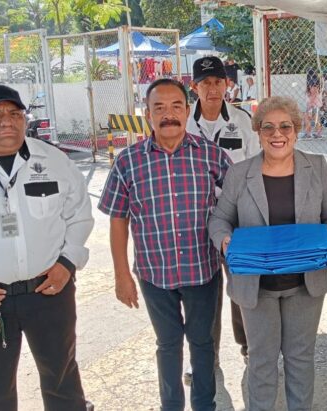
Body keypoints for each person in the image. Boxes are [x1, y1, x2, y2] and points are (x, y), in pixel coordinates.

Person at [208, 96, 327, 411]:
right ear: (258, 132)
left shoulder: (317, 166)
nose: (277, 134)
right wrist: (225, 240)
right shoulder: (239, 173)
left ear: (296, 130)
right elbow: (219, 219)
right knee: (261, 361)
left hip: (305, 284)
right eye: (268, 127)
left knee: (300, 359)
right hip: (257, 286)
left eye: (285, 126)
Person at [98, 78, 230, 411]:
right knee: (168, 344)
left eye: (175, 107)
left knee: (202, 344)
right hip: (154, 275)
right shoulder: (128, 162)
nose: (168, 115)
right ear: (147, 114)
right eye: (159, 108)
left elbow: (236, 204)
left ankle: (204, 405)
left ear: (187, 111)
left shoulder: (212, 156)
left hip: (203, 271)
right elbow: (118, 220)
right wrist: (121, 275)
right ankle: (171, 406)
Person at [0, 85, 94, 410]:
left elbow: (80, 215)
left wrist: (68, 263)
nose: (6, 121)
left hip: (49, 290)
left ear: (25, 119)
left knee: (62, 380)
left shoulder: (53, 160)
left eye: (14, 113)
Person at [187, 56, 259, 372]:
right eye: (205, 83)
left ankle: (249, 347)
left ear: (227, 84)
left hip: (236, 216)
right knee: (202, 291)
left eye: (218, 82)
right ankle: (205, 356)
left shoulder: (242, 121)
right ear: (194, 87)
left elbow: (257, 167)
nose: (212, 89)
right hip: (193, 215)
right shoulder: (183, 123)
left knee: (241, 282)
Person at [304, 69, 323, 139]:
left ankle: (308, 134)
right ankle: (318, 134)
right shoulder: (316, 82)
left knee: (308, 119)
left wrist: (310, 106)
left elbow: (314, 95)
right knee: (316, 120)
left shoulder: (312, 82)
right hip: (315, 105)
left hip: (312, 105)